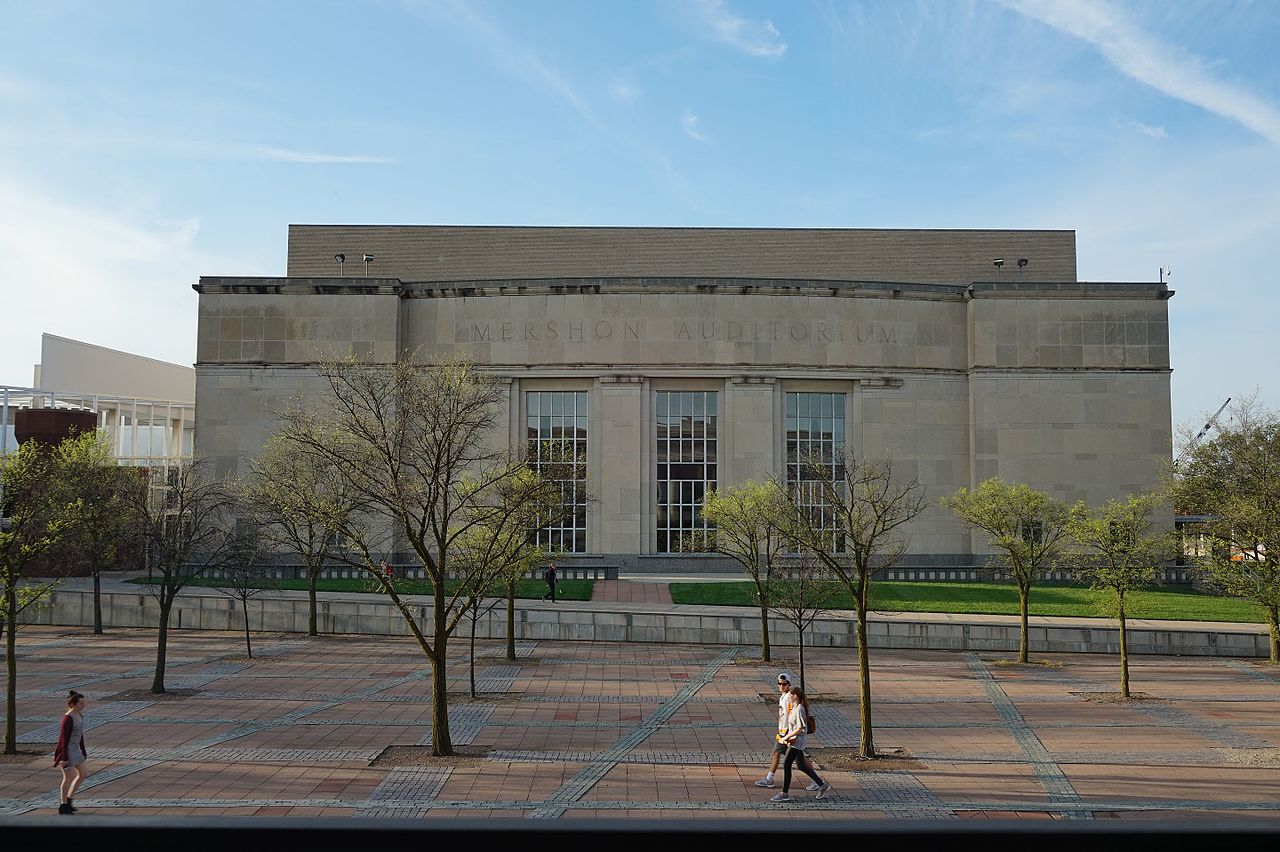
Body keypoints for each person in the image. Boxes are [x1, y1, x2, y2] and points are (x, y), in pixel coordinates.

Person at [770, 685, 831, 802]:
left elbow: (801, 728)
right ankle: (822, 785)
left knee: (787, 764)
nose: (789, 697)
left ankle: (784, 793)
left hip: (797, 742)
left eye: (790, 696)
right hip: (794, 741)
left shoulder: (799, 709)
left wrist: (787, 737)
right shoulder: (794, 707)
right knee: (802, 766)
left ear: (795, 696)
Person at [754, 672, 796, 788]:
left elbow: (793, 715)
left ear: (789, 684)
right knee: (776, 753)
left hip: (787, 733)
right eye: (779, 684)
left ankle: (817, 781)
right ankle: (769, 778)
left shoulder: (789, 697)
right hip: (782, 733)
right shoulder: (783, 696)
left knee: (799, 759)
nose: (781, 686)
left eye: (784, 684)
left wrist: (790, 733)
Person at [53, 690, 89, 815]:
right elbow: (64, 739)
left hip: (75, 749)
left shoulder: (79, 715)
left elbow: (80, 735)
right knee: (68, 777)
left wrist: (83, 750)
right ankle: (63, 806)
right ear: (72, 704)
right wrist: (64, 757)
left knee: (83, 774)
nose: (83, 705)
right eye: (80, 703)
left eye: (83, 703)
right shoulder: (67, 719)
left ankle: (69, 800)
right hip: (66, 750)